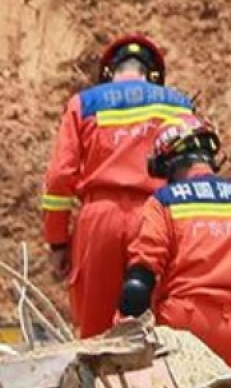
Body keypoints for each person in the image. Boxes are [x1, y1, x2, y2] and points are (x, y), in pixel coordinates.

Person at [117, 114, 231, 371]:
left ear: (166, 164)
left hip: (184, 332)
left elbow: (138, 287)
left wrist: (124, 336)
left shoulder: (164, 202)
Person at [42, 34, 194, 336]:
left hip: (99, 220)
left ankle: (98, 384)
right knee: (153, 328)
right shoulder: (179, 105)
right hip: (157, 218)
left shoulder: (84, 104)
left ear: (109, 71)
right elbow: (191, 169)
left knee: (95, 331)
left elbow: (61, 176)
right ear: (154, 75)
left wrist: (57, 240)